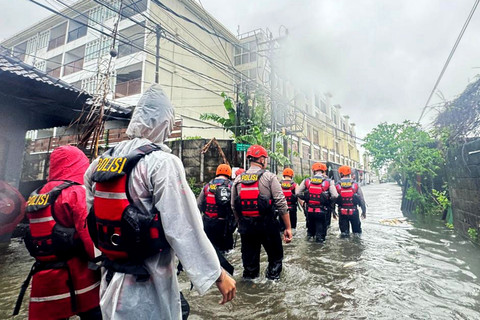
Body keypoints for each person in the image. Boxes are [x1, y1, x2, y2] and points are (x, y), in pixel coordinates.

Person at [84, 84, 235, 320]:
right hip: (148, 285)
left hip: (109, 279)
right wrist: (217, 275)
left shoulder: (99, 162)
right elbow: (182, 226)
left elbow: (91, 218)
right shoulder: (162, 163)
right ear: (164, 123)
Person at [14, 146, 101, 320]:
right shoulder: (75, 192)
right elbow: (87, 233)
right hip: (78, 274)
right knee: (94, 314)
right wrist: (100, 260)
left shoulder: (36, 195)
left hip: (44, 276)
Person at [231, 145, 292, 280]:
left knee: (250, 268)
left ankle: (250, 288)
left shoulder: (238, 179)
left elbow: (233, 206)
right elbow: (281, 203)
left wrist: (241, 223)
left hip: (246, 228)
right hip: (268, 226)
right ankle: (272, 284)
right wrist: (288, 227)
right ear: (262, 159)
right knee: (275, 261)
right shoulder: (269, 177)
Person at [197, 164, 236, 253]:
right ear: (229, 173)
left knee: (210, 251)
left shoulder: (208, 186)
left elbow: (198, 204)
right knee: (226, 252)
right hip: (224, 224)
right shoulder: (231, 185)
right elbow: (234, 205)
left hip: (208, 223)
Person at [297, 162, 338, 242]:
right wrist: (329, 201)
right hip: (322, 212)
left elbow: (298, 193)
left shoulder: (307, 181)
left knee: (310, 234)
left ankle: (309, 250)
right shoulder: (329, 181)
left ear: (313, 171)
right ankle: (319, 252)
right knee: (320, 236)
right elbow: (335, 195)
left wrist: (306, 198)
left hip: (309, 211)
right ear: (323, 171)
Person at [335, 165, 367, 237]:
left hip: (342, 212)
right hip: (354, 212)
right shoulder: (355, 184)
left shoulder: (337, 185)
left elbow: (333, 198)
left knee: (344, 235)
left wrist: (333, 212)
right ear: (349, 174)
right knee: (357, 234)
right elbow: (361, 199)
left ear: (341, 174)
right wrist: (364, 211)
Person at [278, 168, 298, 234]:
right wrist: (303, 206)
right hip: (292, 209)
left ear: (283, 175)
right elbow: (298, 195)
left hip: (282, 209)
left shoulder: (279, 184)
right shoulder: (294, 185)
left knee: (281, 229)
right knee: (292, 229)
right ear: (292, 175)